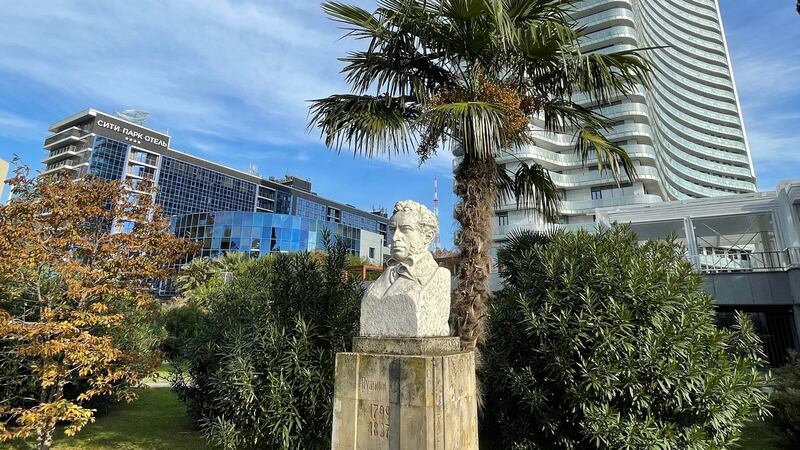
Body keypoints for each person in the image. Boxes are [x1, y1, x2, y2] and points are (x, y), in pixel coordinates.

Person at [359, 200, 451, 337]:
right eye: (393, 229)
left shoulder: (437, 275)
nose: (395, 237)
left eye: (405, 230)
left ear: (427, 236)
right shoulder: (386, 273)